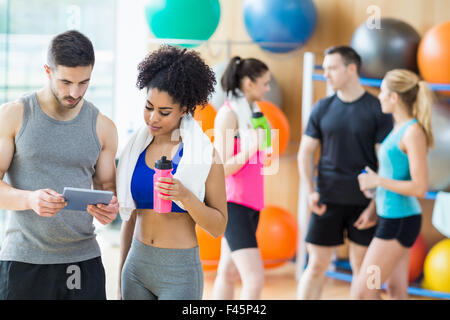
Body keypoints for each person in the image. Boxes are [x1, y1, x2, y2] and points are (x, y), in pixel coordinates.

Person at [0, 30, 119, 300]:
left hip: (82, 259)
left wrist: (110, 209)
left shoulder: (103, 127)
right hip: (23, 260)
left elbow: (107, 188)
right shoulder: (14, 115)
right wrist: (30, 199)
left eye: (83, 82)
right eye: (66, 82)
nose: (74, 92)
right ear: (47, 70)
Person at [117, 45, 227, 300]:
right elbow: (129, 219)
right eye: (148, 107)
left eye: (164, 112)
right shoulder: (134, 151)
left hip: (179, 272)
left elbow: (218, 226)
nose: (153, 118)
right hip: (136, 267)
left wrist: (186, 197)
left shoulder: (204, 156)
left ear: (184, 109)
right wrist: (121, 276)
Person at [297, 45, 393, 299]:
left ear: (351, 69)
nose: (326, 74)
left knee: (363, 268)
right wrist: (309, 191)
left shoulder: (377, 109)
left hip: (364, 203)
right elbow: (305, 152)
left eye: (332, 68)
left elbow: (385, 163)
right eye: (324, 68)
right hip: (326, 200)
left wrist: (374, 204)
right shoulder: (322, 108)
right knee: (316, 264)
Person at [353, 69, 434, 300]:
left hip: (399, 222)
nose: (379, 97)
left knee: (364, 290)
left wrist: (378, 180)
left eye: (382, 92)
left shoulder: (412, 132)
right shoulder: (399, 128)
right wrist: (374, 196)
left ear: (394, 97)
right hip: (391, 217)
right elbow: (395, 176)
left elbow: (420, 187)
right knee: (396, 290)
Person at [212, 56, 271, 300]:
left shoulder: (253, 112)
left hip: (250, 203)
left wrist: (259, 151)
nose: (268, 88)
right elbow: (220, 169)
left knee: (228, 272)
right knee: (255, 279)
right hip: (233, 204)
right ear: (248, 83)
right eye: (265, 83)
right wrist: (249, 150)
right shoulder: (228, 116)